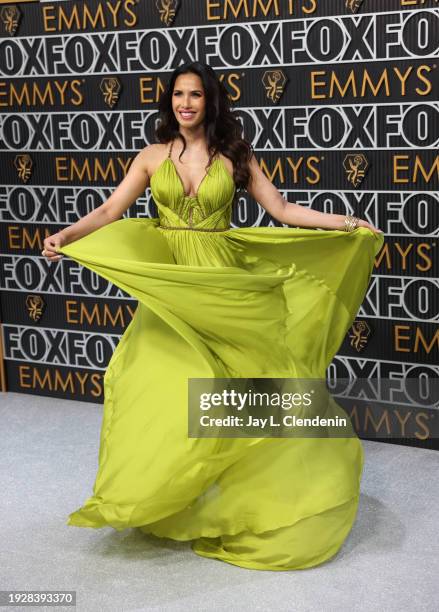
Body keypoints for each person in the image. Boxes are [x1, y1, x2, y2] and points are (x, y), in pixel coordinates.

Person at [42, 61, 384, 571]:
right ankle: (170, 496)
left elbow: (283, 209)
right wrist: (66, 236)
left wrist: (347, 223)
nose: (185, 104)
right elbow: (111, 211)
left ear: (210, 102)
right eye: (178, 95)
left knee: (250, 389)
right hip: (175, 291)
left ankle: (264, 498)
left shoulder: (234, 156)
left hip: (223, 287)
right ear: (169, 102)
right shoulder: (151, 156)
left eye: (195, 96)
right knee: (159, 386)